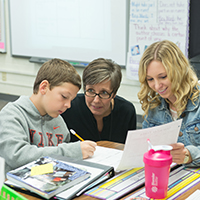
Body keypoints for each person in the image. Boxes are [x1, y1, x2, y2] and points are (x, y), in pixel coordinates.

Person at [0, 58, 96, 174]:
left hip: (48, 182)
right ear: (44, 87)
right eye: (64, 96)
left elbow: (60, 161)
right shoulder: (11, 115)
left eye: (71, 100)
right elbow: (18, 157)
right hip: (15, 188)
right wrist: (72, 151)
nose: (68, 105)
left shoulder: (58, 121)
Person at [138, 40, 200, 167]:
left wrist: (189, 155)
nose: (157, 86)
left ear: (179, 70)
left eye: (163, 77)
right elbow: (144, 147)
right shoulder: (154, 106)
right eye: (150, 79)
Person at [61, 58, 137, 144]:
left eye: (104, 93)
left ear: (114, 94)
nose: (96, 100)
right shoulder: (68, 108)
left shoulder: (126, 111)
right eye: (90, 90)